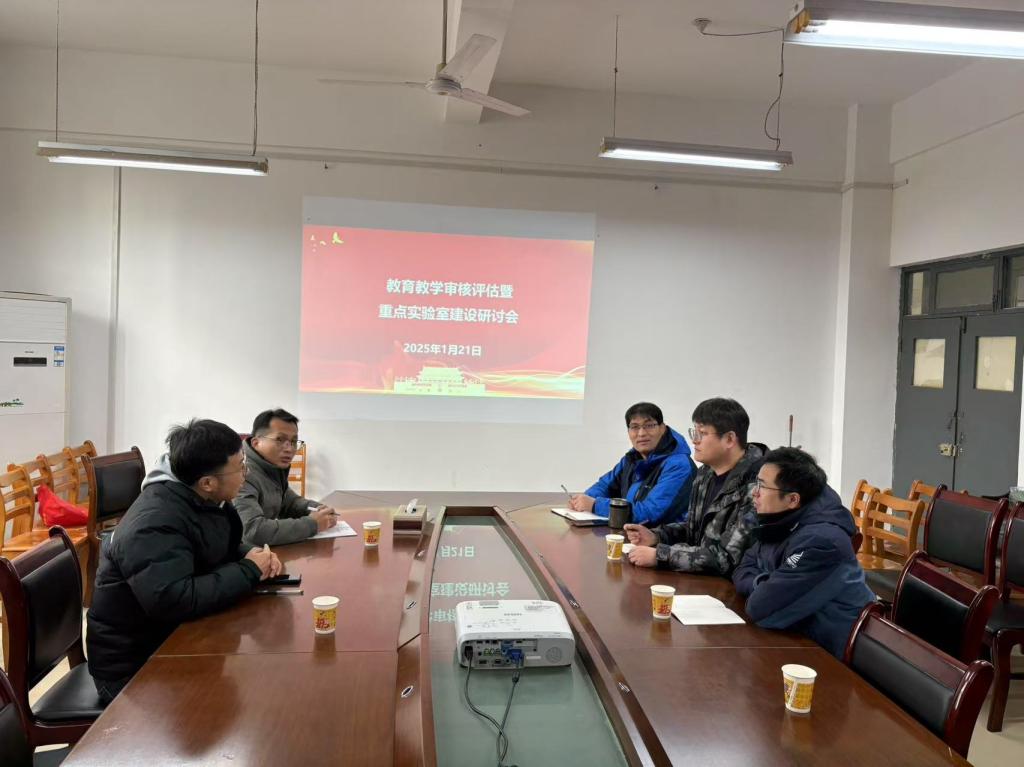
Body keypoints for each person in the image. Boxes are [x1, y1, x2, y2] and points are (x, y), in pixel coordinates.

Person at [87, 419, 282, 704]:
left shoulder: (202, 497)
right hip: (135, 668)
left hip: (173, 639)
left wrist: (251, 555)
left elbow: (216, 546)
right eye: (241, 467)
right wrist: (250, 569)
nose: (246, 474)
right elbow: (175, 599)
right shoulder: (153, 524)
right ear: (207, 482)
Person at [732, 447, 876, 658]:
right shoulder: (780, 518)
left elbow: (761, 607)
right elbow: (743, 566)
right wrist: (766, 582)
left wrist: (764, 585)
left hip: (834, 657)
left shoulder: (822, 542)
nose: (754, 492)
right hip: (796, 639)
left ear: (792, 499)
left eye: (762, 486)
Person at [623, 398, 763, 576]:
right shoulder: (705, 473)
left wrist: (661, 555)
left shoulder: (758, 485)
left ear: (729, 439)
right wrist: (657, 536)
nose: (694, 441)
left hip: (730, 587)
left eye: (702, 433)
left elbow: (727, 558)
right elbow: (693, 530)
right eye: (694, 432)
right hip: (699, 579)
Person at [570, 402, 695, 526]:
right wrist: (583, 500)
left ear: (662, 428)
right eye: (635, 427)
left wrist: (595, 505)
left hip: (661, 537)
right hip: (630, 532)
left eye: (649, 426)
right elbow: (604, 485)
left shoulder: (679, 465)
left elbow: (651, 514)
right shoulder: (632, 458)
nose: (641, 433)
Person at [235, 408, 337, 546]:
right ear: (256, 443)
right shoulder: (242, 474)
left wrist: (319, 509)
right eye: (280, 439)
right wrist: (312, 524)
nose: (289, 448)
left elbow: (290, 503)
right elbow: (253, 531)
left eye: (294, 441)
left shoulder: (272, 469)